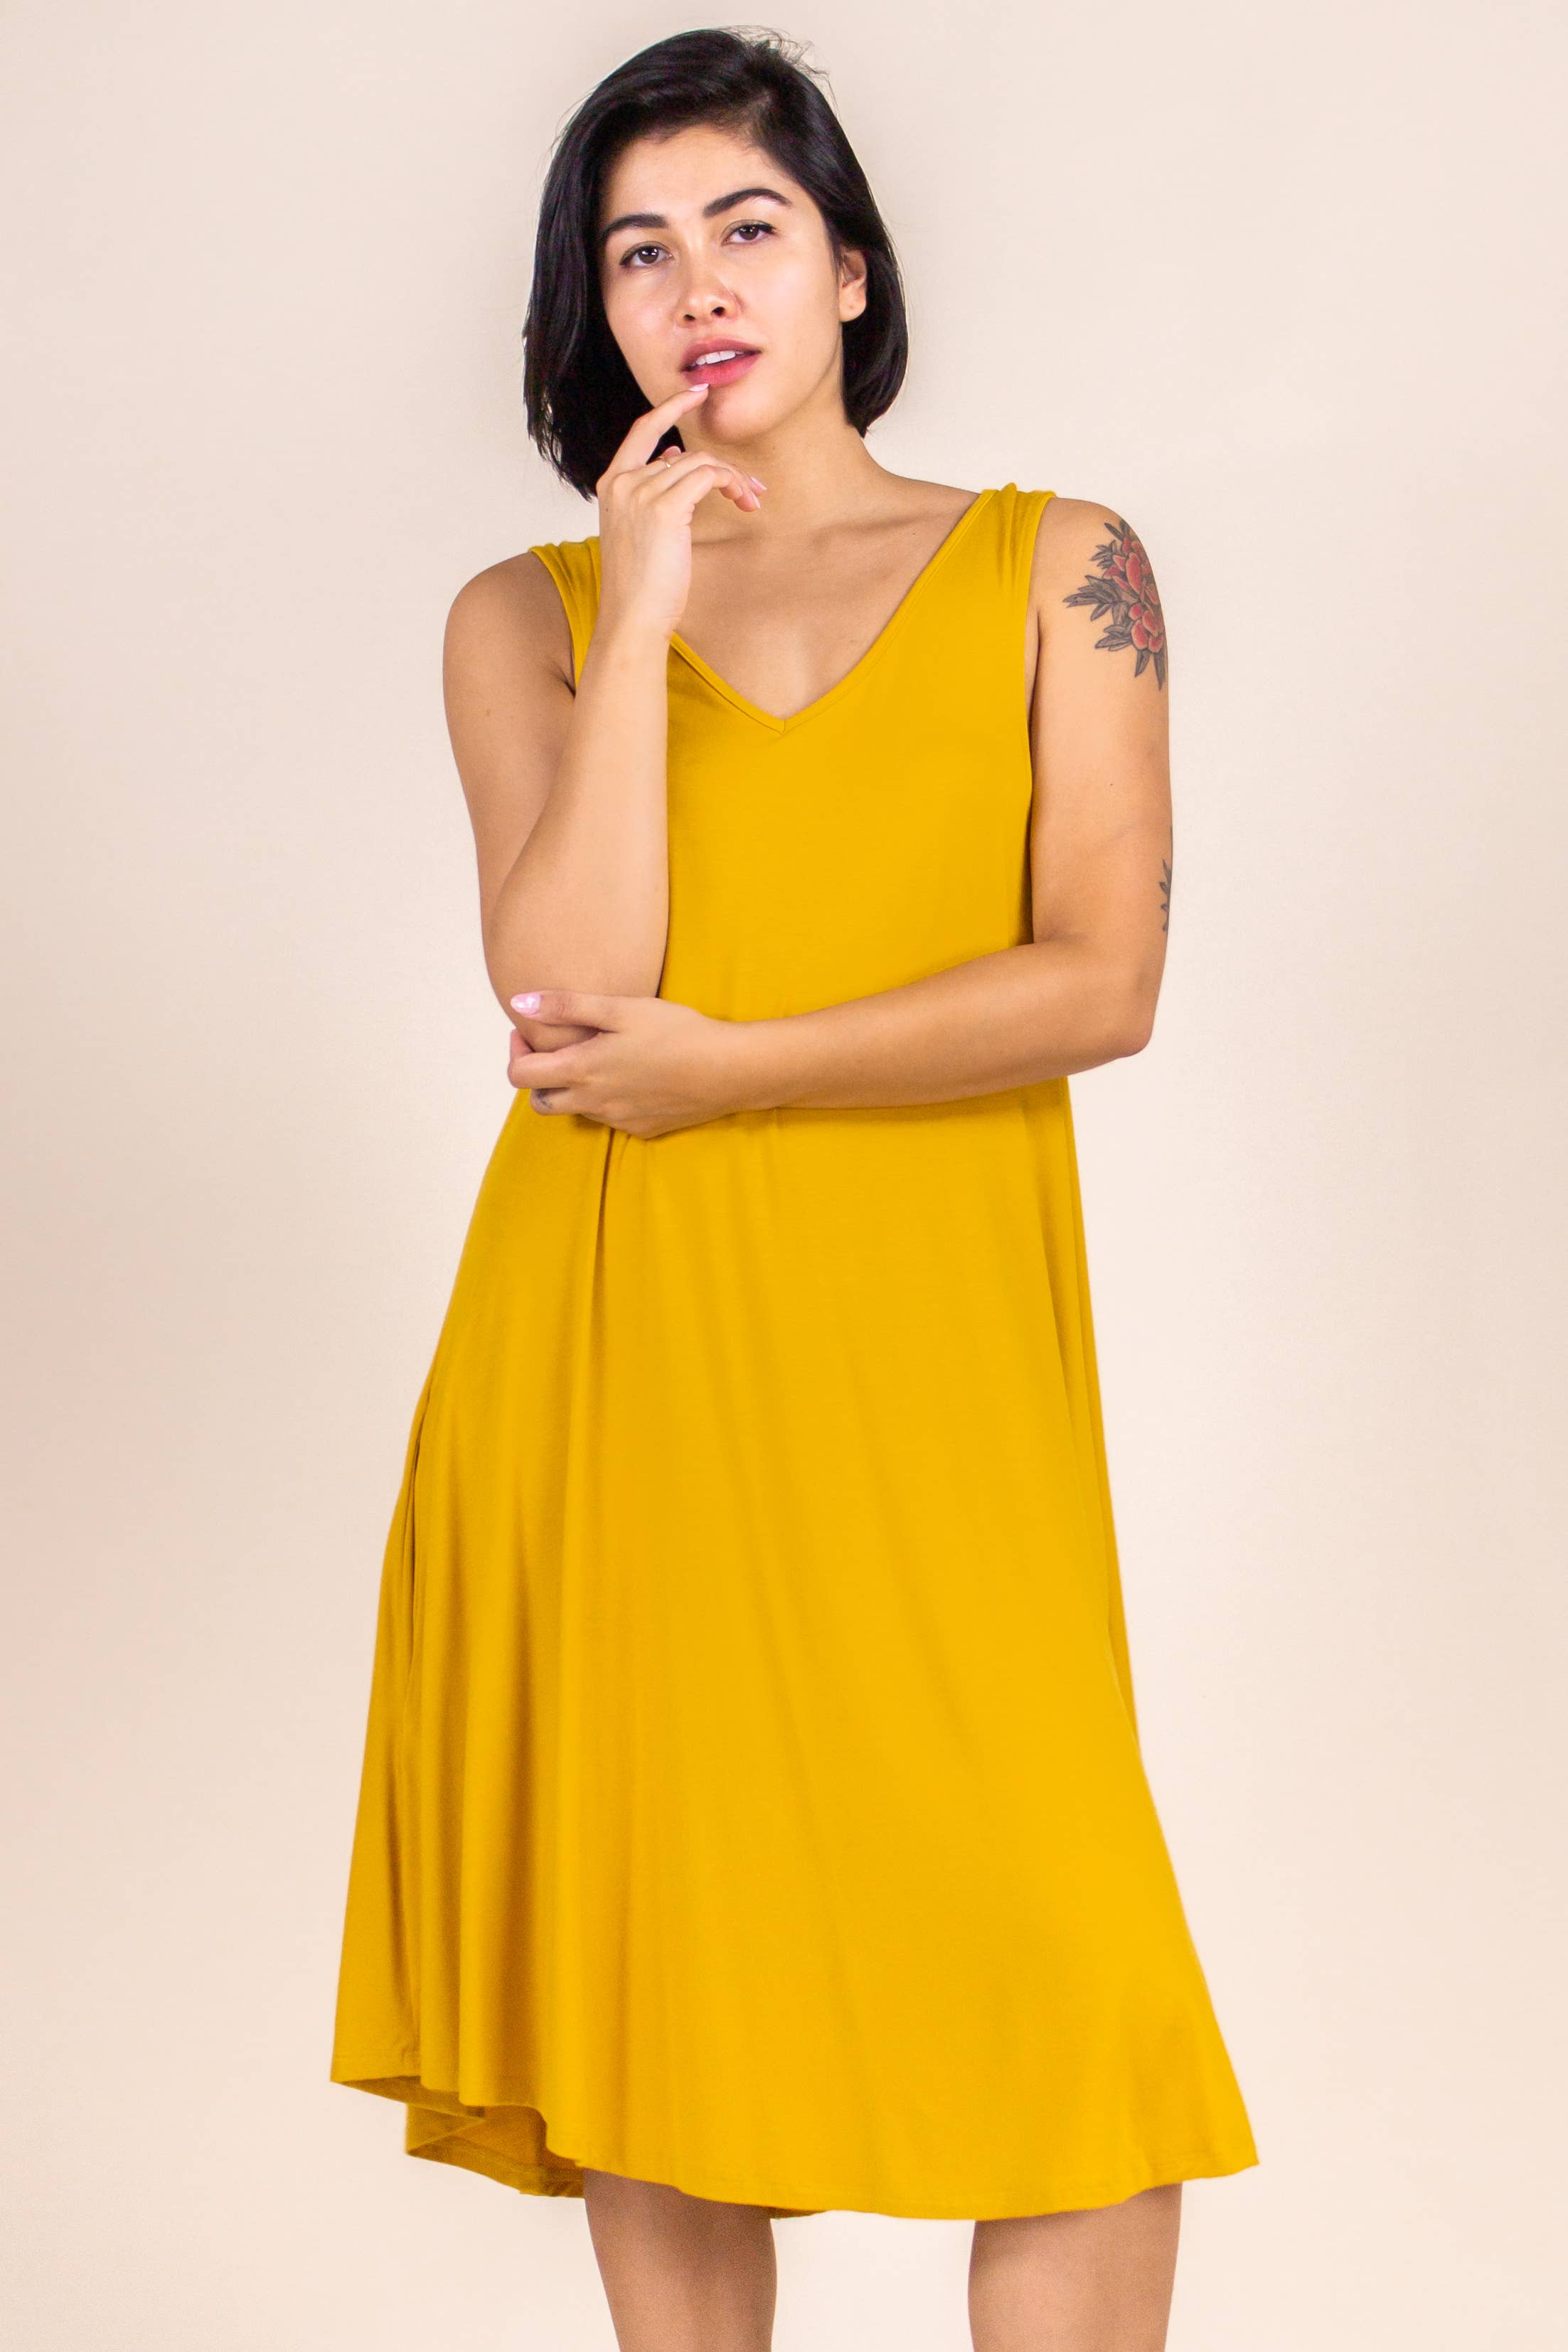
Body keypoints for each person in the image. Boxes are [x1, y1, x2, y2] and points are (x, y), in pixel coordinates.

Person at [330, 26, 1257, 2351]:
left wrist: (741, 1070)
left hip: (936, 1368)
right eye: (637, 252)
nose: (697, 286)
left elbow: (1104, 975)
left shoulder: (1060, 567)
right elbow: (570, 983)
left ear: (850, 265)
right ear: (595, 308)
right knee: (674, 1997)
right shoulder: (529, 613)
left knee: (1068, 2001)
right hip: (618, 1359)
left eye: (746, 226)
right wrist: (645, 604)